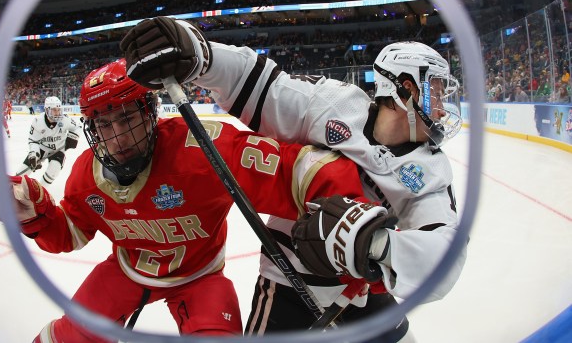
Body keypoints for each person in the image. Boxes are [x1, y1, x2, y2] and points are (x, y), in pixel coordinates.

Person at [0, 58, 384, 342]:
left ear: (150, 111)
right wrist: (36, 215)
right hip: (127, 270)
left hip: (200, 276)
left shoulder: (203, 148)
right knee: (68, 335)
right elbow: (70, 234)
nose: (116, 136)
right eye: (103, 123)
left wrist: (349, 211)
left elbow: (294, 171)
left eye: (126, 117)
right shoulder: (86, 173)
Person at [121, 17, 467, 340]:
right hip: (289, 281)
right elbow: (262, 87)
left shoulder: (431, 171)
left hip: (359, 287)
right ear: (406, 89)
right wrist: (200, 55)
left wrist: (374, 245)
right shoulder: (336, 103)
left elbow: (446, 258)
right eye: (435, 90)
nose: (442, 106)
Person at [15, 96, 80, 185]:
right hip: (42, 148)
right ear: (47, 110)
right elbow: (33, 141)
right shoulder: (38, 121)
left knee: (54, 170)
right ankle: (12, 187)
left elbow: (77, 126)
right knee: (22, 171)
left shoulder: (65, 119)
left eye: (58, 110)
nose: (57, 113)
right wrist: (34, 154)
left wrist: (74, 136)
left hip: (58, 149)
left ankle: (41, 191)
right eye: (54, 110)